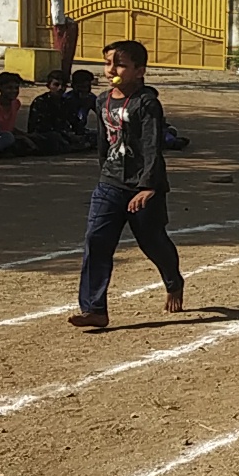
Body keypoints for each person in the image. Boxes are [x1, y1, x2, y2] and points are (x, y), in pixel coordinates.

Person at [70, 40, 185, 328]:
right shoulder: (102, 100)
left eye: (120, 64)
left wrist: (149, 186)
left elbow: (151, 145)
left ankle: (173, 280)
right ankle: (94, 309)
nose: (112, 70)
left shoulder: (147, 103)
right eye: (108, 63)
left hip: (143, 186)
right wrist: (104, 174)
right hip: (110, 183)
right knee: (96, 240)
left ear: (140, 70)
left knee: (152, 241)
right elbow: (102, 143)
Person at [28, 70, 90, 153]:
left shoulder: (66, 102)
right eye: (56, 85)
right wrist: (67, 135)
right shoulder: (40, 102)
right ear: (48, 86)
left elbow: (74, 121)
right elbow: (41, 127)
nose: (60, 88)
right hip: (44, 135)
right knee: (55, 138)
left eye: (63, 85)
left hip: (65, 134)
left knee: (92, 135)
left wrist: (78, 133)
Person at [0, 71, 33, 155]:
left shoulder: (16, 103)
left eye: (16, 88)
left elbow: (9, 127)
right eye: (9, 88)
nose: (14, 91)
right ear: (0, 88)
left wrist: (27, 135)